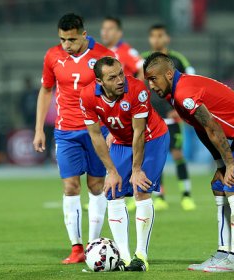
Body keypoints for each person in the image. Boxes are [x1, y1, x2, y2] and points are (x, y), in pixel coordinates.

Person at [143, 52, 234, 273]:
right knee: (219, 185)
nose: (150, 85)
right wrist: (220, 165)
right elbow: (202, 130)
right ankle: (222, 253)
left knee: (233, 183)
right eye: (147, 80)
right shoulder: (175, 95)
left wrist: (230, 164)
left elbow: (213, 128)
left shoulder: (184, 93)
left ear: (169, 74)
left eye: (153, 79)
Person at [32, 13, 114, 264]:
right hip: (66, 131)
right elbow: (46, 90)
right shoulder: (53, 56)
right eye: (62, 39)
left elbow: (116, 94)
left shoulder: (103, 55)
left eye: (71, 39)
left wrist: (113, 130)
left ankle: (93, 244)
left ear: (84, 34)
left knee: (96, 186)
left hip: (96, 131)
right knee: (70, 186)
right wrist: (38, 130)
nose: (66, 44)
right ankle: (76, 248)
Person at [80, 56, 169, 271]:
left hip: (152, 139)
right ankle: (124, 257)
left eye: (121, 73)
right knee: (113, 191)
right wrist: (111, 171)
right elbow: (95, 136)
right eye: (113, 77)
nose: (121, 80)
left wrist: (136, 169)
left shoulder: (137, 89)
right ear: (100, 82)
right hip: (120, 141)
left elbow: (139, 132)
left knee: (141, 189)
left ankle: (140, 256)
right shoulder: (87, 96)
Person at [141, 24, 196, 211]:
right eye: (153, 36)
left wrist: (181, 109)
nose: (156, 39)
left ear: (167, 38)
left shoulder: (177, 60)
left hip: (173, 117)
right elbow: (135, 86)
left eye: (160, 35)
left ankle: (186, 195)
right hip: (151, 118)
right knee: (155, 157)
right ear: (150, 39)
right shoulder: (141, 60)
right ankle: (159, 196)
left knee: (177, 154)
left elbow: (191, 84)